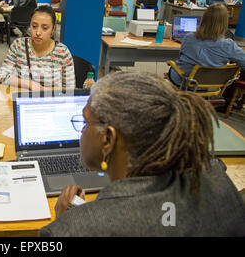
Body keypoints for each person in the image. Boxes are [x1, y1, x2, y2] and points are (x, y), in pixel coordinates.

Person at [39, 71, 245, 237]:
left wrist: (66, 223)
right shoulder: (217, 177)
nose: (82, 131)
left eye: (85, 122)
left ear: (108, 139)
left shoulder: (73, 229)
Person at [169, 3, 245, 106]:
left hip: (184, 81)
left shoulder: (188, 37)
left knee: (174, 66)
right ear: (224, 23)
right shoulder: (228, 45)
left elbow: (181, 55)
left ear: (204, 19)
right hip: (210, 84)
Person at [0, 5, 75, 90]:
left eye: (45, 28)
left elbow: (69, 88)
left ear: (53, 29)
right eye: (34, 26)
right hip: (23, 100)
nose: (38, 32)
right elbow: (2, 77)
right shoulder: (18, 46)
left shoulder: (62, 52)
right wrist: (28, 84)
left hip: (51, 101)